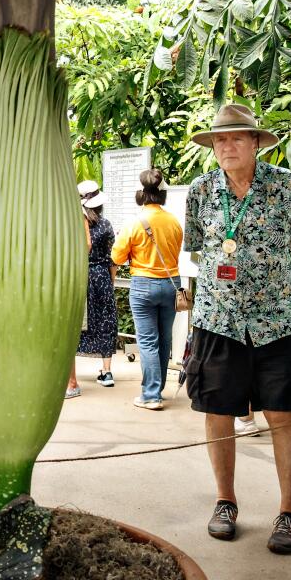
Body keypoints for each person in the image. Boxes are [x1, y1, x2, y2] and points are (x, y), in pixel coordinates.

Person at [182, 103, 291, 554]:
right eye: (220, 139)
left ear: (257, 142)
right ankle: (225, 502)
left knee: (280, 412)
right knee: (218, 412)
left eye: (237, 138)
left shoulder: (288, 186)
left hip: (278, 319)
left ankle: (290, 512)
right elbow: (197, 250)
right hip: (218, 320)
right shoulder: (200, 191)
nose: (227, 146)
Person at [111, 168, 184, 411]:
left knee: (148, 341)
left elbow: (117, 257)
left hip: (143, 285)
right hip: (172, 283)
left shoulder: (133, 223)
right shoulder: (173, 221)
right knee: (164, 339)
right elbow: (175, 252)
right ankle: (158, 388)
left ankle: (151, 395)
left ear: (141, 194)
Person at [66, 181, 118, 399]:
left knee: (76, 321)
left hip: (80, 275)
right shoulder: (106, 225)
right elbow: (113, 258)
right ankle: (106, 372)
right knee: (106, 319)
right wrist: (111, 280)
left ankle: (70, 374)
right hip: (102, 276)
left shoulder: (73, 226)